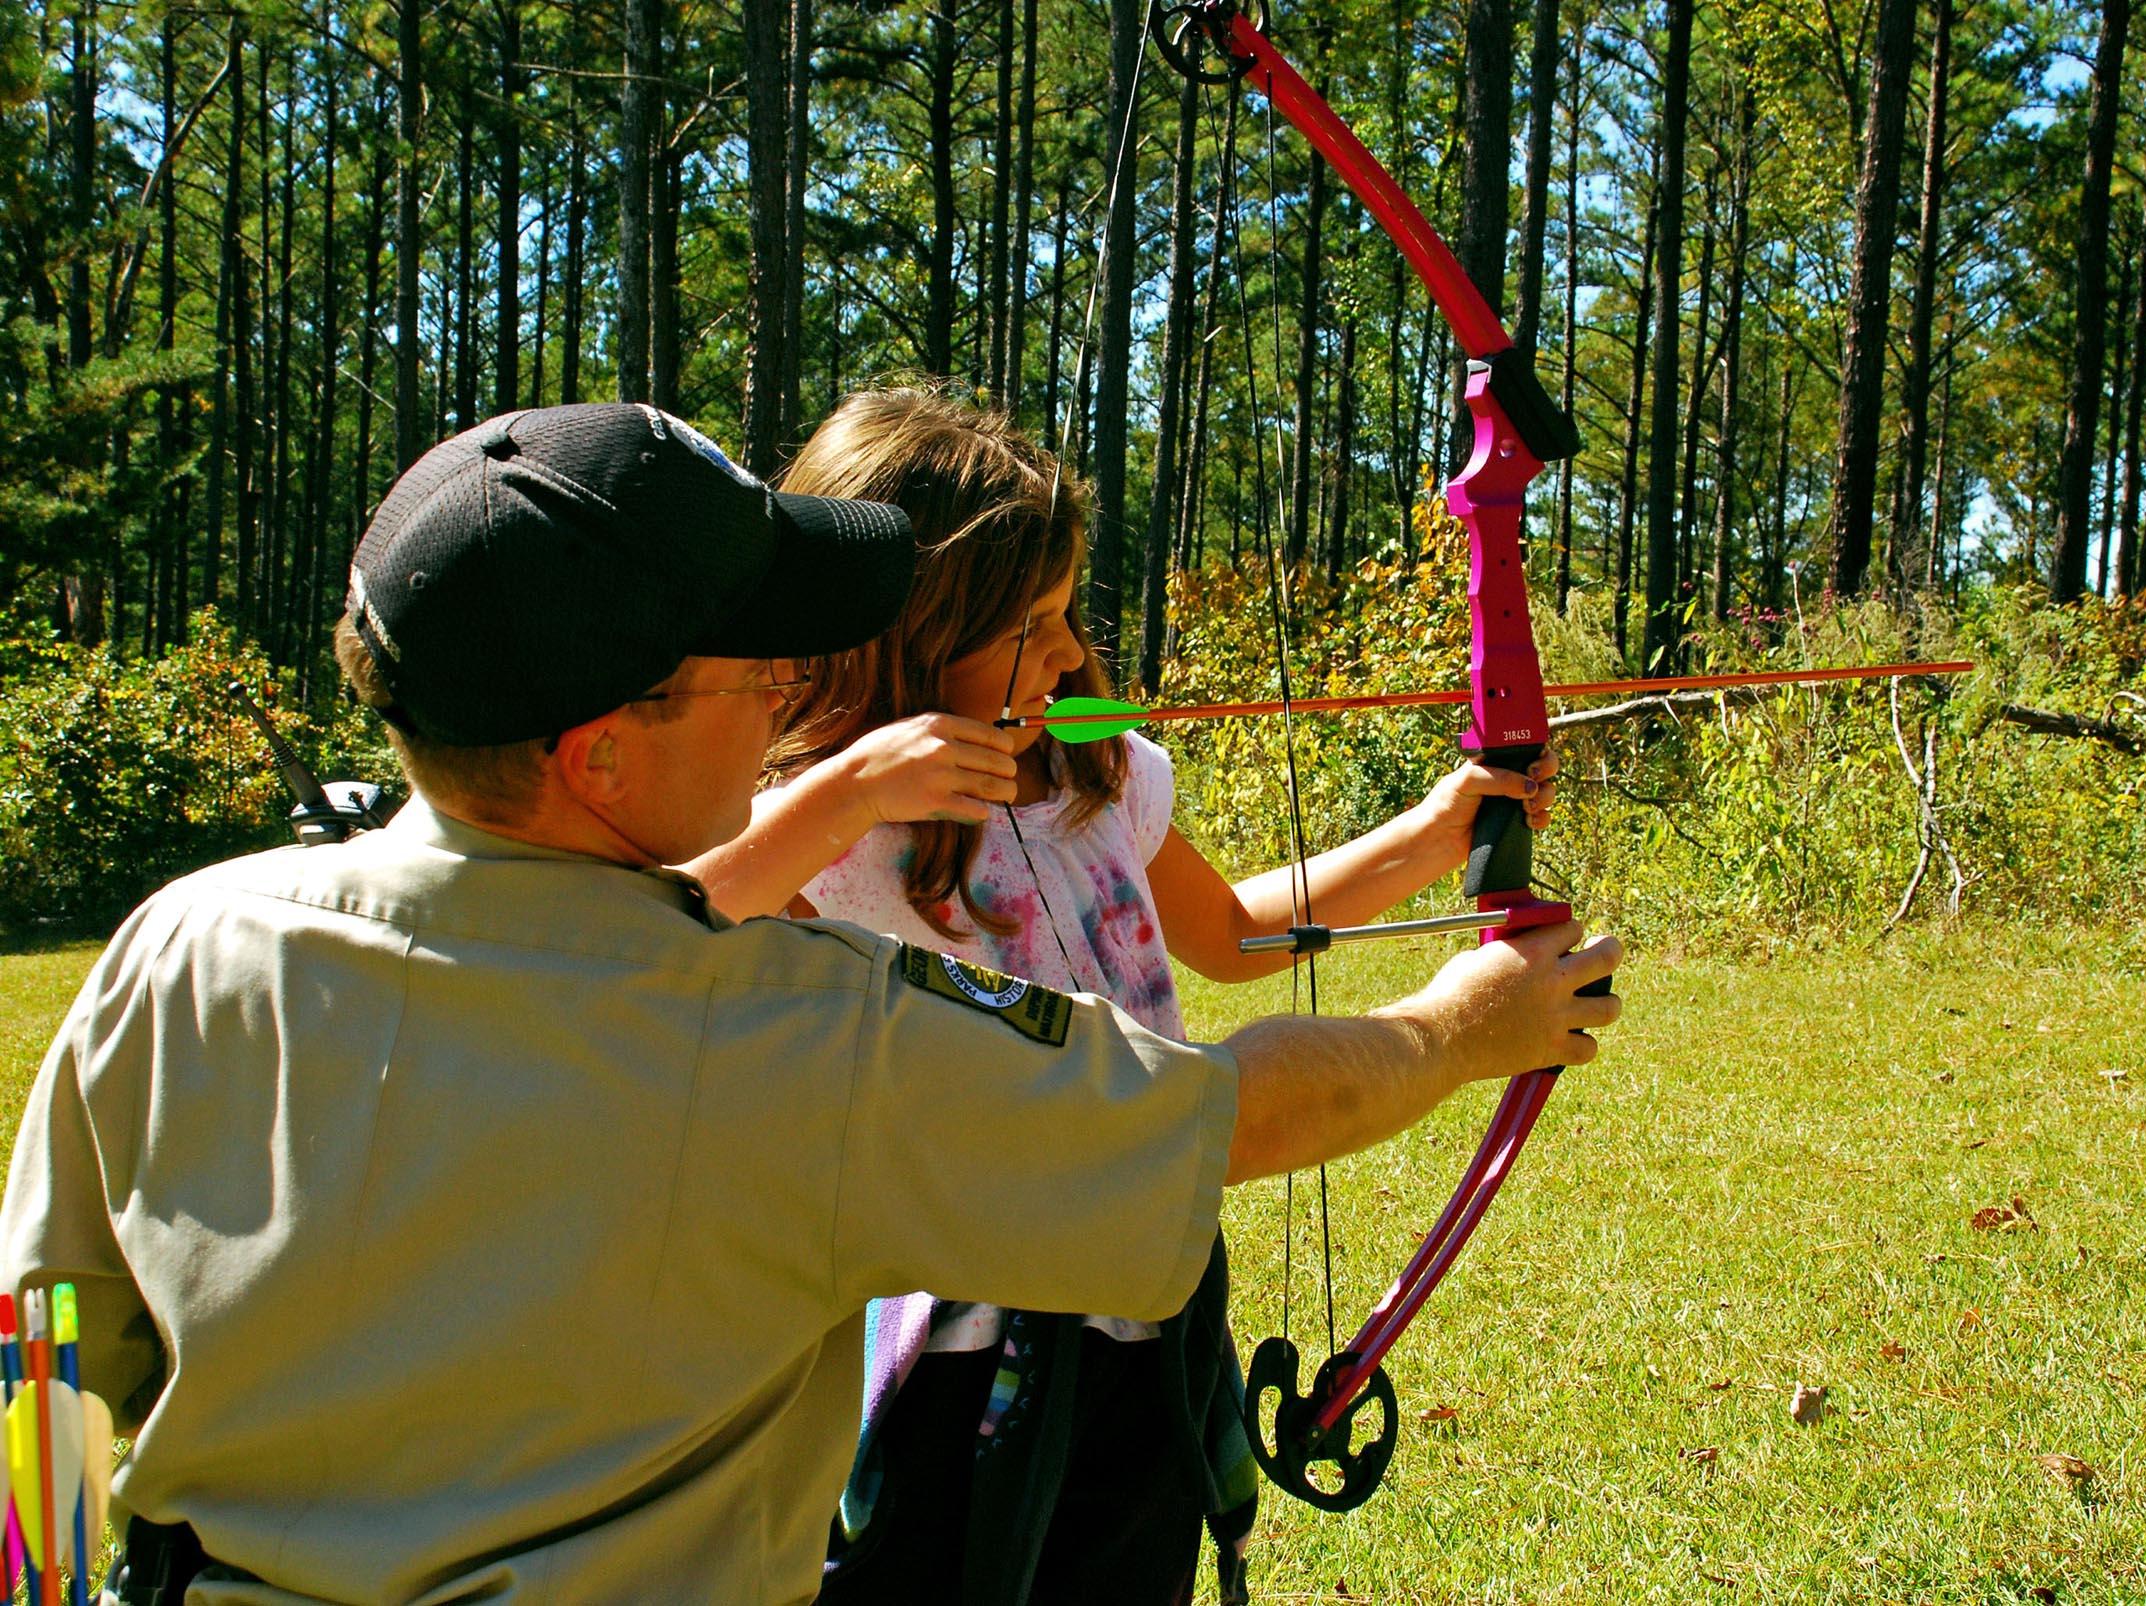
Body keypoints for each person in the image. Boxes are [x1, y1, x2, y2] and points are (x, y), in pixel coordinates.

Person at [0, 403, 1622, 1606]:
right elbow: (1225, 1111)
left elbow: (41, 1348)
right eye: (758, 668)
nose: (799, 691)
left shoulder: (174, 952)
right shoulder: (788, 1031)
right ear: (601, 750)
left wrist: (56, 1585)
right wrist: (1473, 1024)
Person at [683, 388, 1568, 1605]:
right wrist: (846, 795)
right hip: (947, 1369)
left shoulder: (1096, 771)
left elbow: (1234, 933)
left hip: (1144, 1309)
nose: (1065, 652)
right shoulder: (815, 835)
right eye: (1026, 624)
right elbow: (663, 939)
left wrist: (1430, 835)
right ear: (902, 635)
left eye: (1064, 613)